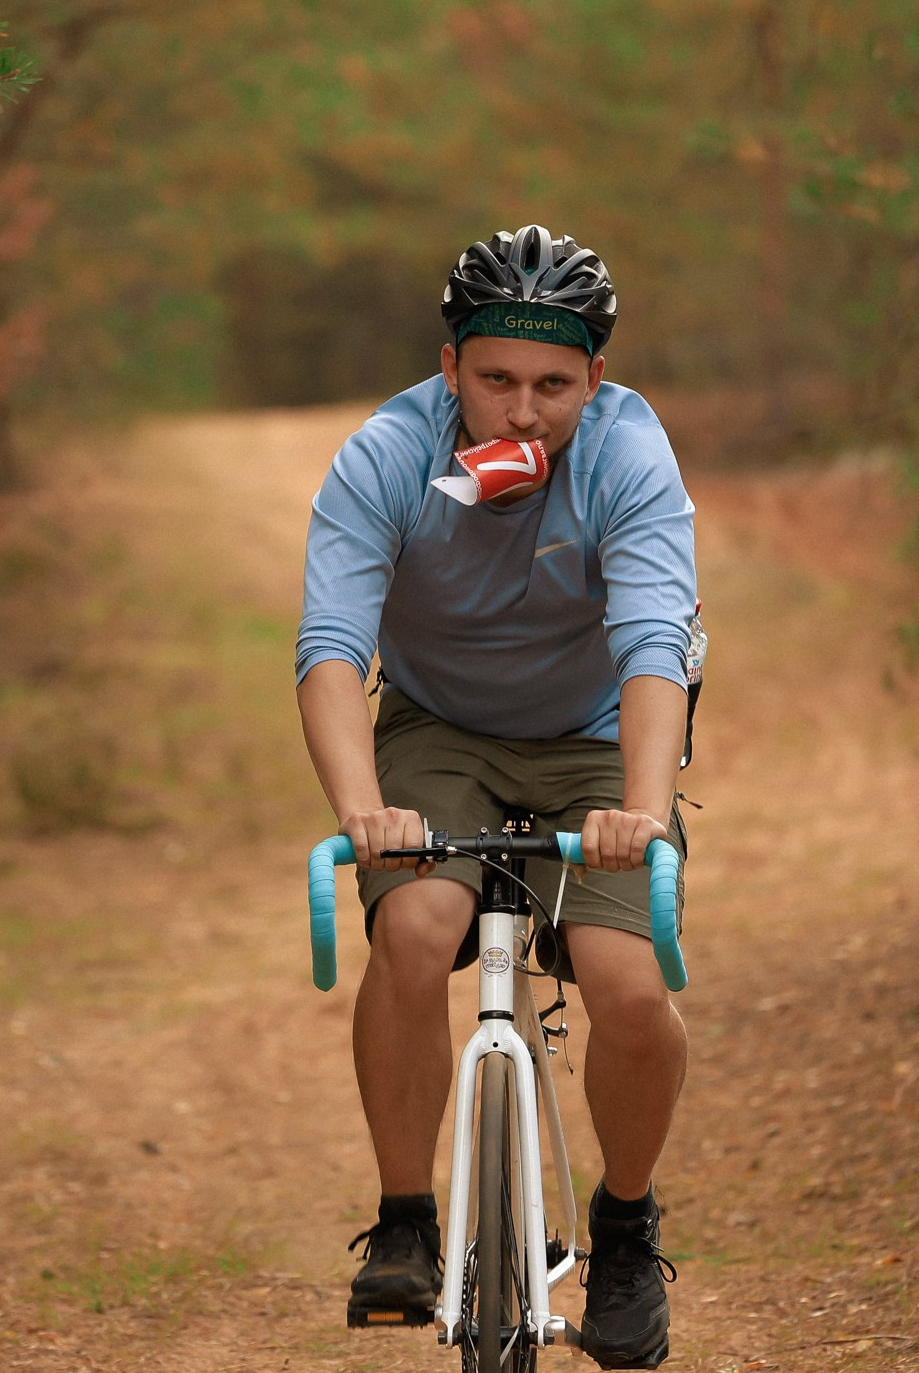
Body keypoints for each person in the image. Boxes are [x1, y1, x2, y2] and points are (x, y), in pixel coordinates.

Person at [294, 225, 697, 1370]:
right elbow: (330, 646)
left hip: (592, 737)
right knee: (416, 925)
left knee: (627, 986)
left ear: (596, 380)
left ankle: (624, 1225)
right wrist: (366, 805)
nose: (526, 412)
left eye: (556, 386)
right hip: (439, 728)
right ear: (449, 364)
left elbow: (655, 645)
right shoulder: (386, 454)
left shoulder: (626, 455)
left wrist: (645, 809)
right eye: (498, 380)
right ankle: (407, 1217)